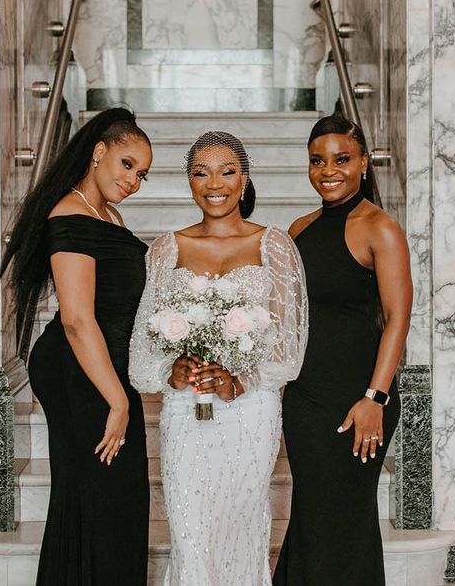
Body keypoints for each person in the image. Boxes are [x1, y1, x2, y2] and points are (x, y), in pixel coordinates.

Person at [129, 131, 308, 586]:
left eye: (227, 171)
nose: (215, 183)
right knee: (190, 531)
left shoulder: (276, 245)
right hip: (186, 411)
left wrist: (240, 380)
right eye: (201, 172)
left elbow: (289, 345)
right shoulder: (165, 249)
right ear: (189, 181)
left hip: (251, 411)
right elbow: (142, 348)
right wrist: (171, 371)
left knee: (243, 526)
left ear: (245, 179)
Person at [0, 107, 153, 585]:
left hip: (101, 367)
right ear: (99, 152)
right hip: (83, 371)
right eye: (127, 165)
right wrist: (118, 400)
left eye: (142, 174)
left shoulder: (105, 213)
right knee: (104, 496)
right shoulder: (70, 214)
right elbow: (77, 319)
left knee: (105, 498)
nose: (134, 180)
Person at [273, 105, 413, 586]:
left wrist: (375, 397)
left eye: (341, 159)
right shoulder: (298, 230)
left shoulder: (381, 228)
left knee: (348, 517)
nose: (328, 171)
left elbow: (398, 319)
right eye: (317, 160)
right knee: (311, 513)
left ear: (363, 162)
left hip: (360, 398)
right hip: (306, 400)